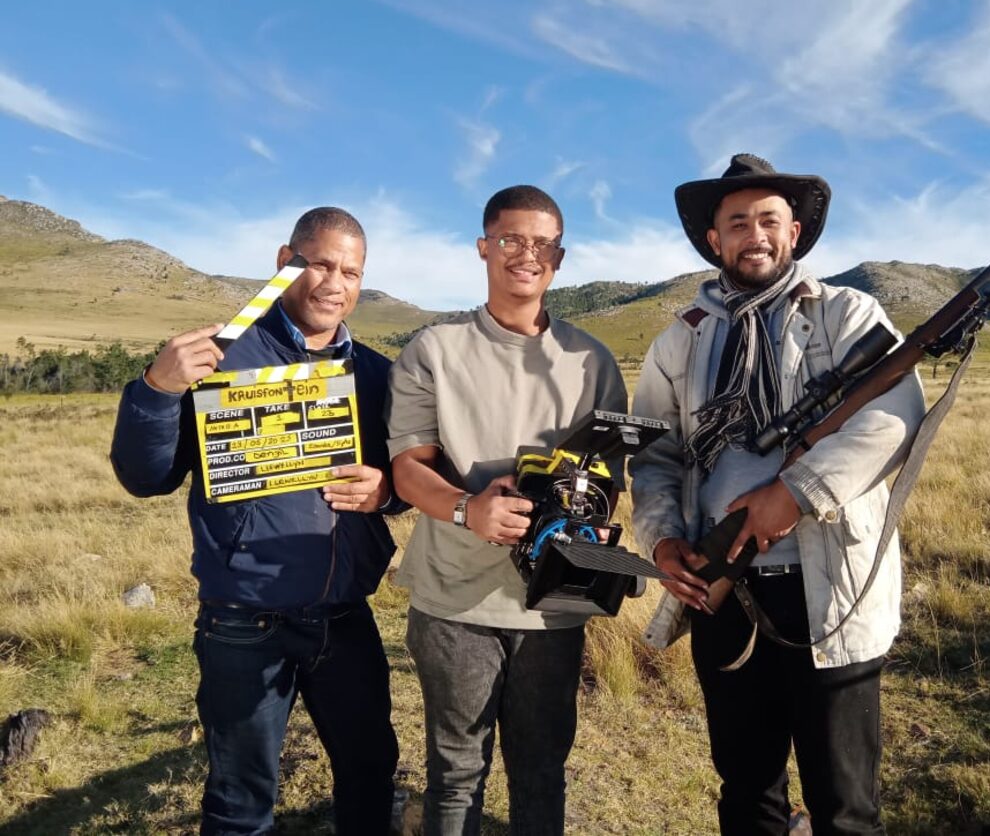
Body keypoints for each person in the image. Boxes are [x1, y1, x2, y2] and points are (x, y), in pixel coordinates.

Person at [630, 155, 926, 835]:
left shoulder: (849, 314)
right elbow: (655, 453)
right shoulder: (679, 340)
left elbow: (892, 416)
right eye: (738, 222)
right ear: (715, 240)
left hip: (829, 591)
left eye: (769, 219)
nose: (754, 233)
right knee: (746, 787)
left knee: (845, 806)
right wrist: (664, 538)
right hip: (722, 588)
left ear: (794, 231)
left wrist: (792, 493)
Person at [111, 207, 401, 835]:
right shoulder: (218, 356)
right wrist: (156, 391)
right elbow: (145, 477)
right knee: (241, 801)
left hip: (346, 615)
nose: (335, 283)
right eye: (322, 263)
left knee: (372, 770)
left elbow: (404, 476)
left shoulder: (377, 373)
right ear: (284, 261)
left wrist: (388, 493)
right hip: (242, 620)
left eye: (351, 271)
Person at [386, 185, 627, 835]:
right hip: (454, 603)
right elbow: (408, 469)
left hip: (555, 603)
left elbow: (611, 477)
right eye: (512, 240)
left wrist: (596, 526)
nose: (527, 255)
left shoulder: (593, 361)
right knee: (457, 774)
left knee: (543, 772)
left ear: (561, 256)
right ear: (484, 247)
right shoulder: (434, 350)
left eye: (543, 243)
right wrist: (468, 509)